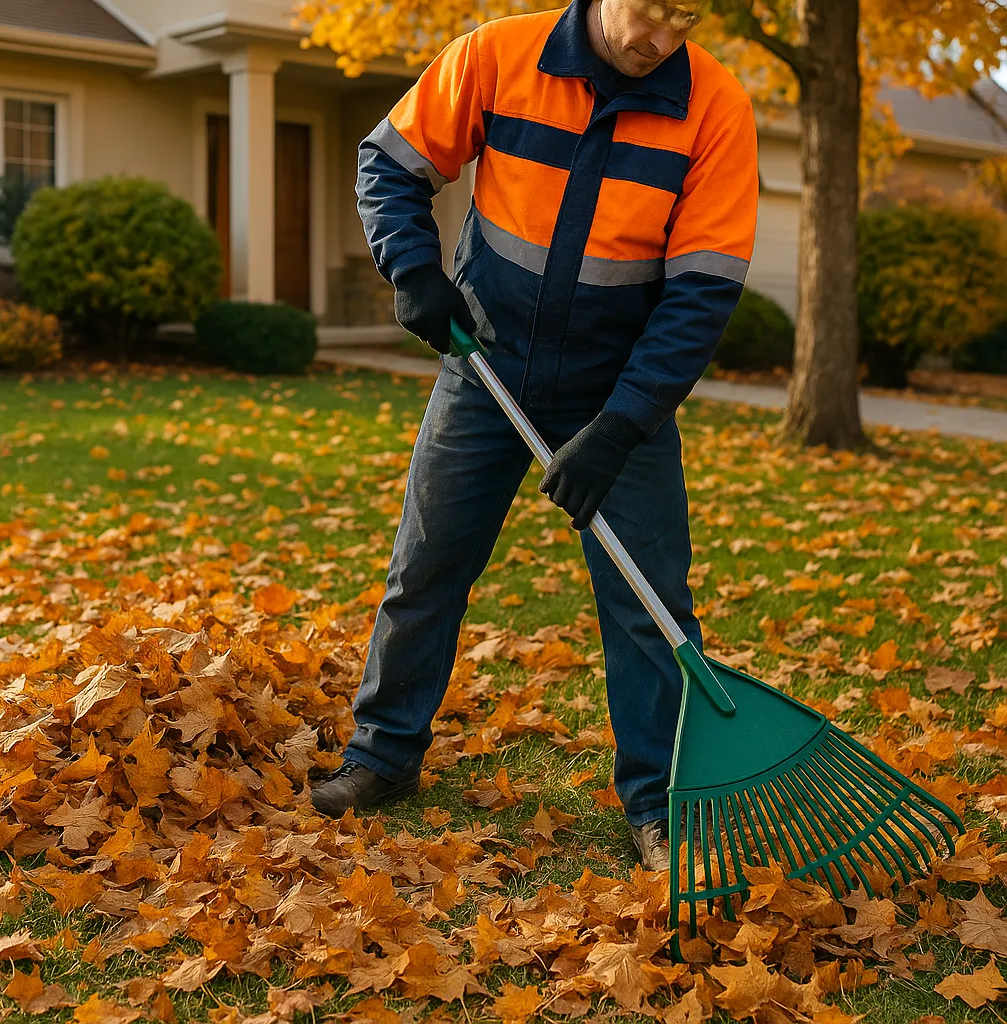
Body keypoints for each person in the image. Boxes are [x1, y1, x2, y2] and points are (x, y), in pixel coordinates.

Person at [311, 0, 758, 871]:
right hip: (488, 366)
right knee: (428, 565)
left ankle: (660, 803)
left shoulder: (717, 109)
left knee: (651, 603)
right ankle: (383, 754)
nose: (659, 39)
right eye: (652, 11)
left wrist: (623, 425)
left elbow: (703, 291)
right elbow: (388, 163)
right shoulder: (499, 55)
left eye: (688, 18)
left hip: (616, 388)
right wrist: (412, 270)